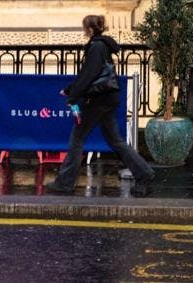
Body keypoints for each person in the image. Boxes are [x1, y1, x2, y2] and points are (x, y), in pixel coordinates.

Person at [49, 14, 155, 195]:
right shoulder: (102, 45)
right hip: (106, 99)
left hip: (97, 100)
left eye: (84, 27)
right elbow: (91, 74)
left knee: (77, 139)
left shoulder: (96, 47)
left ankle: (65, 183)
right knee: (116, 140)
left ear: (90, 29)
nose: (83, 31)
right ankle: (144, 173)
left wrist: (73, 96)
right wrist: (70, 89)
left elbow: (89, 75)